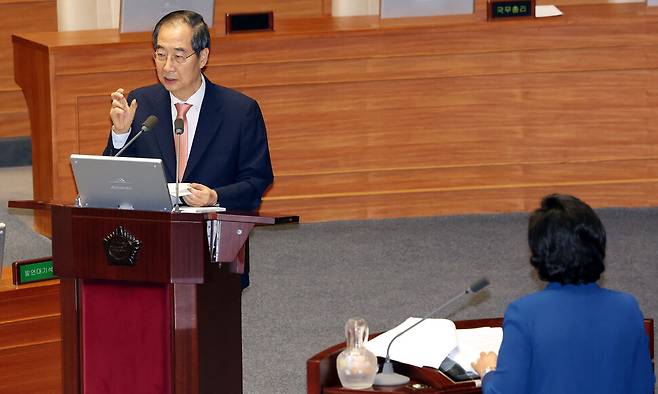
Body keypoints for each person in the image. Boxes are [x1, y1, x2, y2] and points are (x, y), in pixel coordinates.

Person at [471, 194, 655, 393]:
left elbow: (503, 391)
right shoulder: (628, 308)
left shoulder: (524, 313)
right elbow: (643, 386)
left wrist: (488, 370)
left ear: (538, 253)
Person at [104, 10, 273, 211]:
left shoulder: (240, 111)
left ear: (203, 57)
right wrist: (121, 134)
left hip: (213, 230)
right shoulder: (139, 103)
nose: (167, 67)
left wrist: (215, 197)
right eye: (161, 55)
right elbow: (113, 182)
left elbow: (257, 180)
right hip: (151, 229)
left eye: (178, 56)